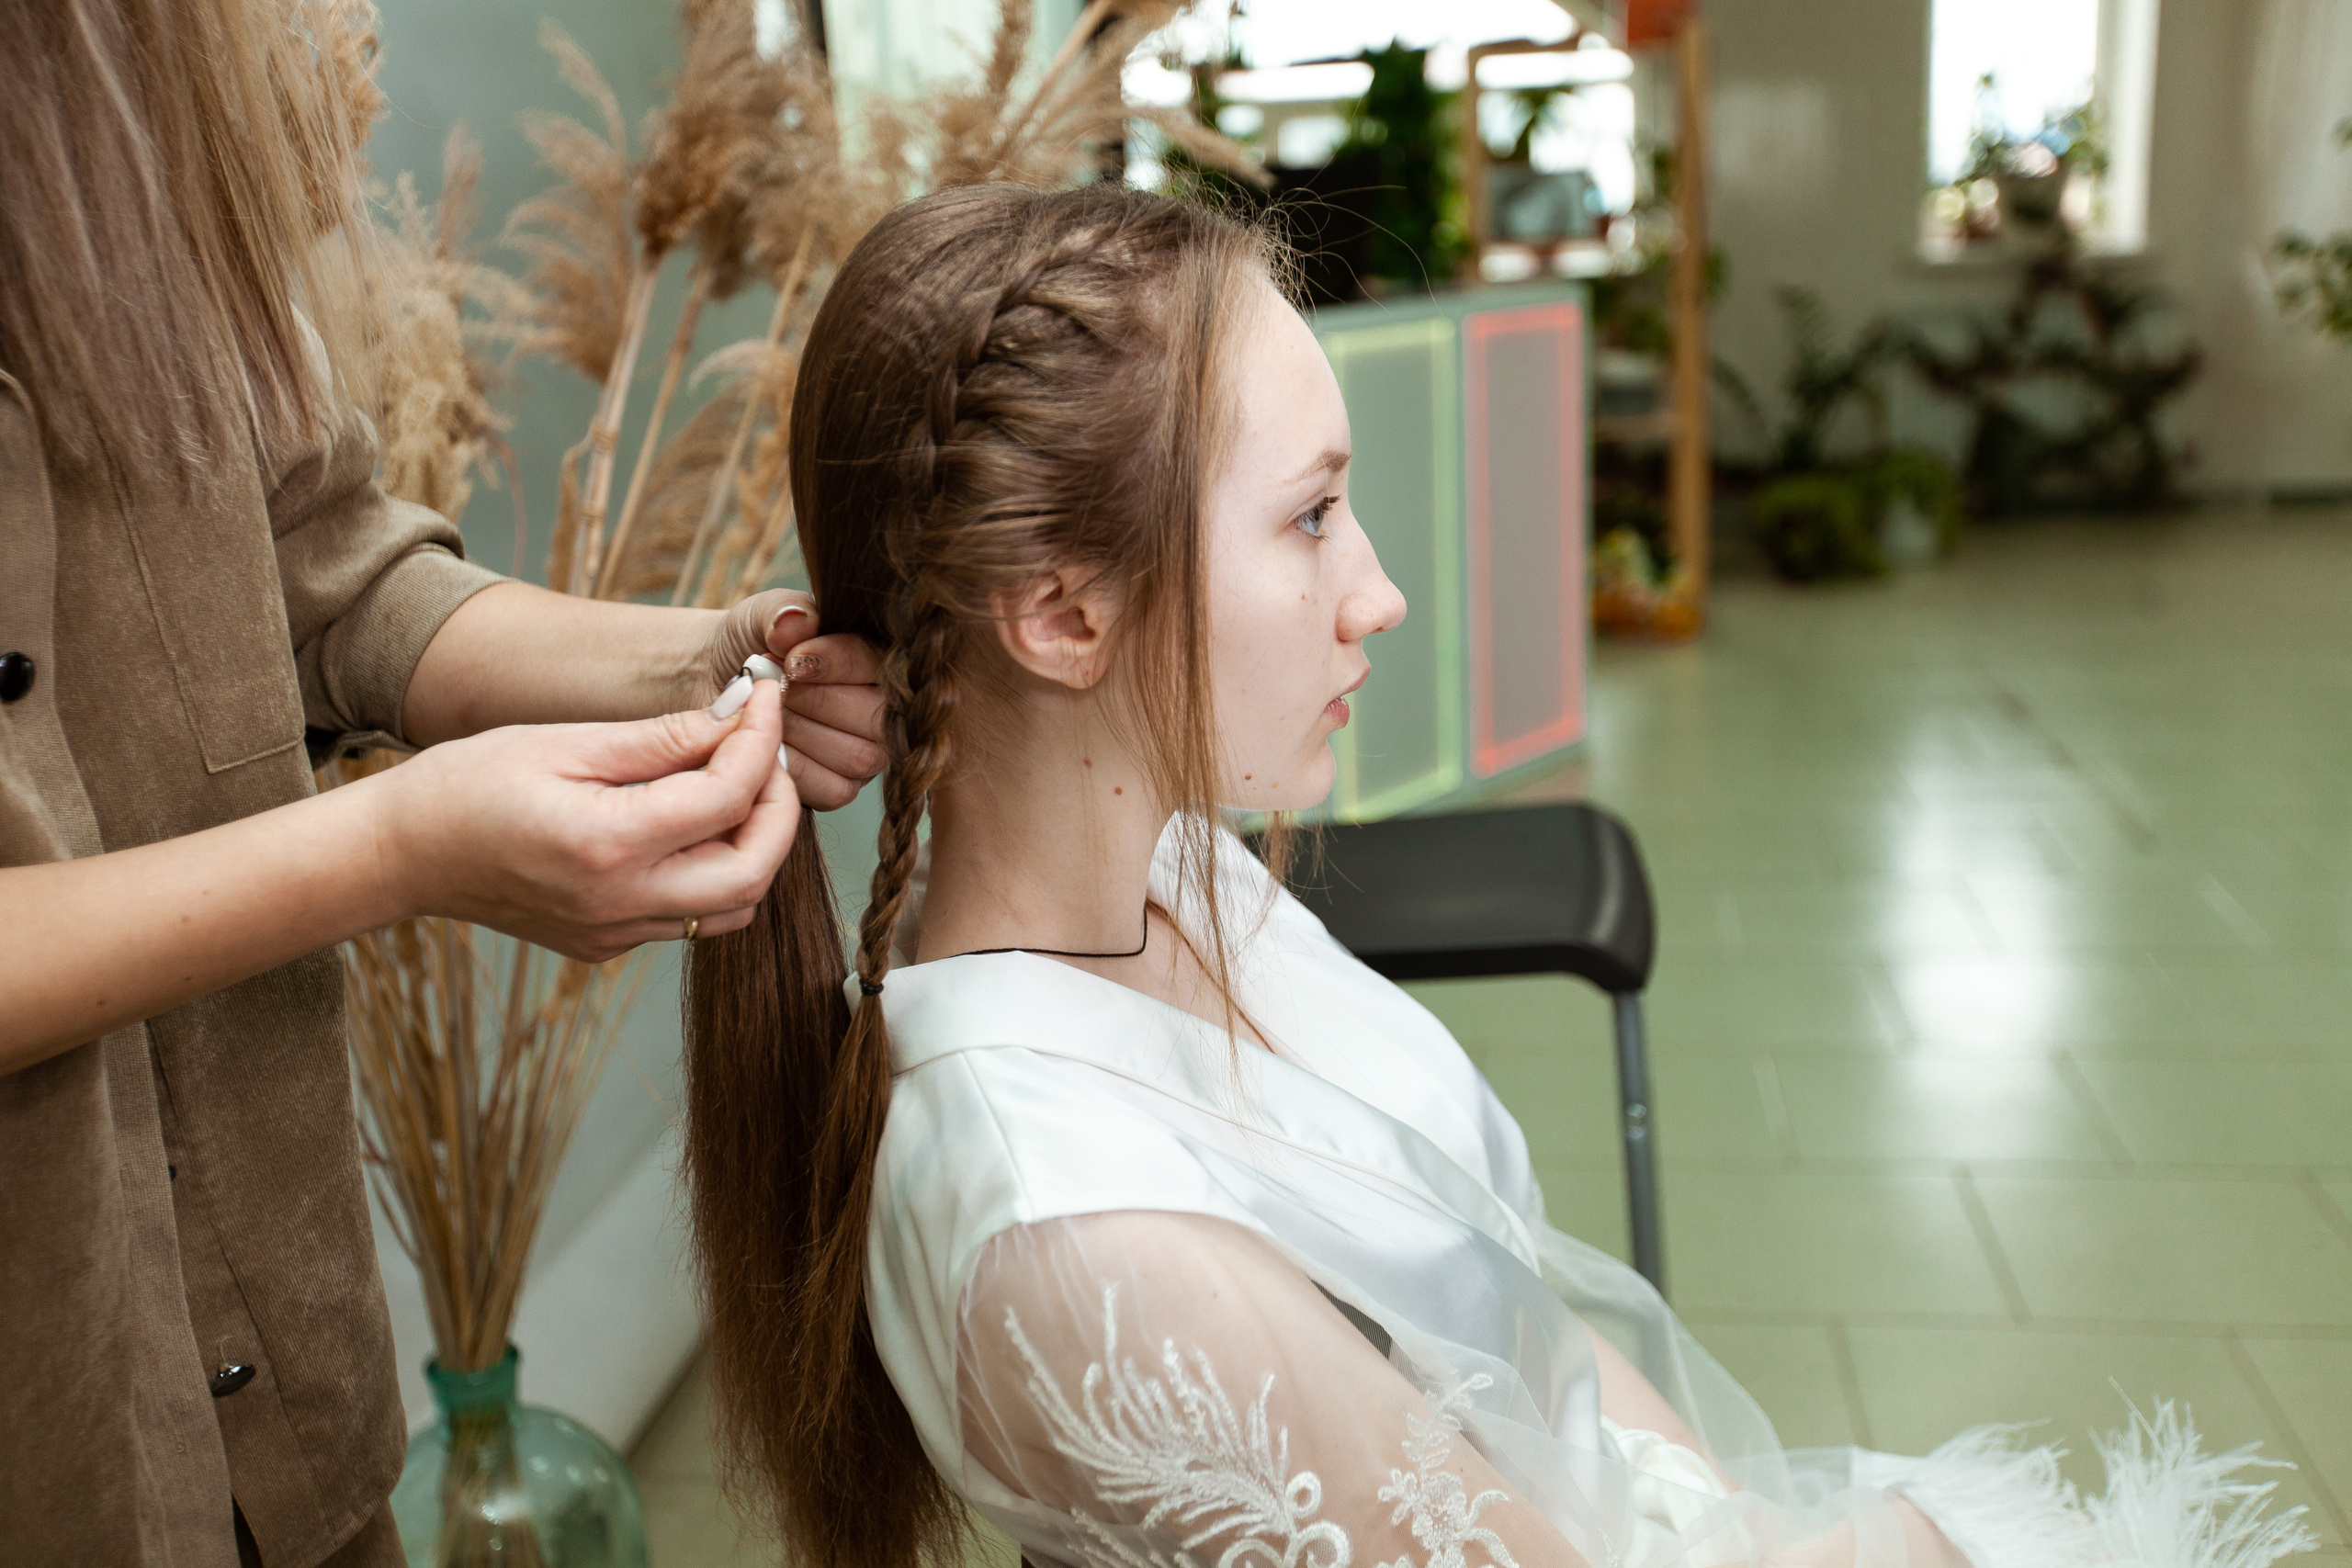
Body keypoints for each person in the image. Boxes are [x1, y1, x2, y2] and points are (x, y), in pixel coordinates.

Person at [681, 183, 2319, 1568]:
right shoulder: (1078, 1234)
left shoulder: (1177, 870)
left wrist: (1749, 1518)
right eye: (1311, 516)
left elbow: (1525, 1314)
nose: (1377, 591)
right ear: (1061, 614)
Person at [0, 3, 882, 1564]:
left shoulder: (137, 149)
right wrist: (398, 850)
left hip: (291, 1410)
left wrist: (707, 660)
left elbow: (329, 573)